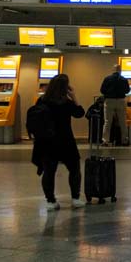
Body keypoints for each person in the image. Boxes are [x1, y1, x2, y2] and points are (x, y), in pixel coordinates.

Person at [31, 74, 85, 211]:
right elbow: (80, 113)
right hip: (66, 140)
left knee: (49, 171)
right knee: (74, 169)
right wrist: (74, 96)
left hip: (47, 142)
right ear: (65, 88)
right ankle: (75, 198)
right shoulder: (66, 103)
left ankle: (50, 200)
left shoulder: (42, 100)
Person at [100, 64, 130, 146]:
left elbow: (102, 90)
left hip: (109, 100)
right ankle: (124, 140)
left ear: (113, 70)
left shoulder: (107, 79)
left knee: (107, 122)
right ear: (120, 70)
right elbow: (127, 90)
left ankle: (105, 141)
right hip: (121, 100)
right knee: (123, 122)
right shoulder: (124, 79)